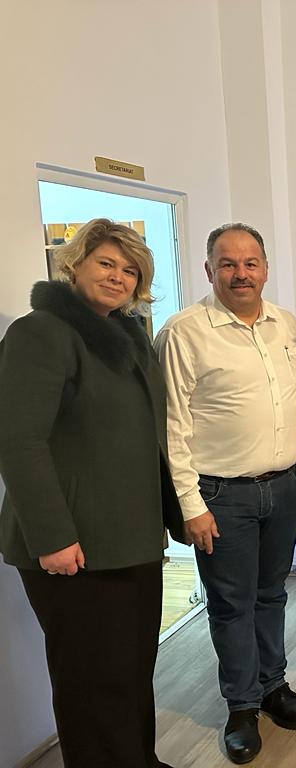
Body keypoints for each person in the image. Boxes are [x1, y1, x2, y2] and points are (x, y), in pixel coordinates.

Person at [0, 219, 183, 768]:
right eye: (106, 263)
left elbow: (151, 436)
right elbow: (18, 441)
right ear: (74, 263)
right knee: (89, 680)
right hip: (74, 548)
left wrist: (173, 514)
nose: (117, 277)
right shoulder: (41, 333)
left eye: (130, 271)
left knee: (130, 671)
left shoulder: (128, 337)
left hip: (133, 540)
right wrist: (52, 538)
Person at [155, 223, 296, 765]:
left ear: (265, 268)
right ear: (209, 270)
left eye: (250, 263)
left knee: (272, 594)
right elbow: (172, 428)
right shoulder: (184, 332)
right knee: (230, 604)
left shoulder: (286, 325)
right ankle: (242, 706)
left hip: (284, 488)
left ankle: (273, 686)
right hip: (221, 495)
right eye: (228, 263)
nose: (240, 273)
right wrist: (190, 505)